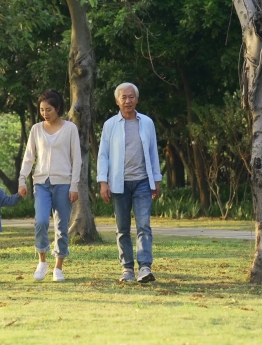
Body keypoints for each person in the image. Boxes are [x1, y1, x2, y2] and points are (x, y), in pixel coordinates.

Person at [97, 82, 161, 283]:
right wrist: (103, 182)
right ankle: (127, 269)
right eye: (123, 97)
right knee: (122, 228)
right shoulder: (110, 125)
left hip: (142, 181)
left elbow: (153, 153)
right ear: (117, 101)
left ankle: (144, 267)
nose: (128, 101)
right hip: (119, 184)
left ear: (137, 99)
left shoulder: (147, 123)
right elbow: (103, 156)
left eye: (131, 97)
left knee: (144, 225)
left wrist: (156, 180)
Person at [18, 90, 82, 282]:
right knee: (41, 222)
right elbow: (29, 157)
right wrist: (22, 179)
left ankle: (58, 268)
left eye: (49, 110)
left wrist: (74, 185)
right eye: (42, 110)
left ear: (58, 109)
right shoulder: (36, 129)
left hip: (64, 183)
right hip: (41, 183)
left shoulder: (70, 128)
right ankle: (42, 261)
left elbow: (76, 159)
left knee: (62, 227)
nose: (45, 113)